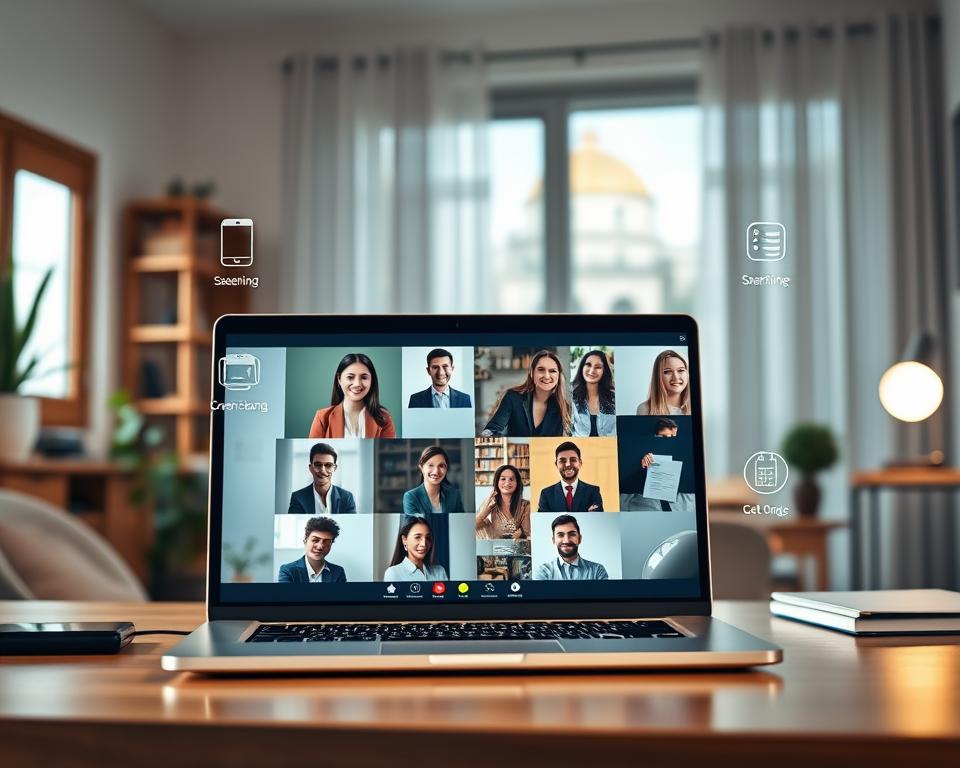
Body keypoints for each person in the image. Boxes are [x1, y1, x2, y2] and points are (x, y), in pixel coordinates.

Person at [481, 350, 571, 437]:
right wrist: (488, 434)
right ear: (532, 372)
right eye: (541, 369)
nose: (546, 376)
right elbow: (491, 430)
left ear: (559, 375)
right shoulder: (512, 398)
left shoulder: (564, 407)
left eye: (552, 371)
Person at [309, 352, 396, 438]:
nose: (357, 384)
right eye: (350, 377)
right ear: (339, 379)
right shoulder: (322, 417)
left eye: (364, 377)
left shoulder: (385, 419)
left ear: (371, 381)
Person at [619, 418, 695, 512]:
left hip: (677, 495)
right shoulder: (647, 451)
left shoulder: (686, 451)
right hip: (651, 494)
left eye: (673, 436)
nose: (670, 440)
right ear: (655, 436)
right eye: (665, 436)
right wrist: (645, 466)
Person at [287, 442, 357, 514]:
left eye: (328, 465)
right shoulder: (298, 498)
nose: (322, 470)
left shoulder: (347, 498)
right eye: (318, 465)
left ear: (334, 468)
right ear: (311, 468)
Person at [533, 514, 608, 580]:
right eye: (560, 535)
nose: (566, 541)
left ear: (580, 539)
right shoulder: (543, 572)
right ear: (553, 540)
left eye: (572, 534)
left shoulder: (597, 571)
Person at [537, 441, 603, 512]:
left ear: (580, 463)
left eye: (573, 460)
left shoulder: (593, 492)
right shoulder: (546, 494)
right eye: (562, 461)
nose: (568, 464)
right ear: (556, 464)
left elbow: (597, 518)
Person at [278, 516, 347, 583]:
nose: (320, 546)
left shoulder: (338, 571)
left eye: (326, 541)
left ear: (331, 544)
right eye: (315, 540)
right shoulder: (288, 570)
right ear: (305, 541)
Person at [402, 446, 466, 515]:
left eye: (441, 465)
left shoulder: (454, 495)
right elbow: (415, 525)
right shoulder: (411, 497)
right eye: (430, 465)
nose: (436, 472)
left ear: (446, 468)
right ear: (421, 468)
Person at [383, 515, 448, 581]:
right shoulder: (393, 573)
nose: (424, 544)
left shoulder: (440, 571)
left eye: (427, 538)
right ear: (404, 540)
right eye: (417, 537)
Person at [475, 464, 531, 540]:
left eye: (511, 479)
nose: (507, 483)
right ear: (497, 482)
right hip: (494, 547)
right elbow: (472, 527)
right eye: (503, 479)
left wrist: (521, 534)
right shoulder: (491, 503)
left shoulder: (525, 505)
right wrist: (486, 510)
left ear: (517, 483)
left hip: (517, 548)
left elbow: (528, 533)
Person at [570, 349, 616, 437]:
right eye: (588, 365)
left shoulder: (614, 399)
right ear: (582, 368)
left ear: (604, 371)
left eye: (598, 367)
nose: (592, 370)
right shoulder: (571, 397)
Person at [408, 348, 473, 408]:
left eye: (445, 366)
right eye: (435, 367)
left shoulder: (465, 399)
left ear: (452, 368)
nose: (441, 373)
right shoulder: (415, 400)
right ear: (428, 371)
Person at [636, 349, 691, 416]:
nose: (676, 377)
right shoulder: (644, 409)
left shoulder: (699, 406)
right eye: (668, 371)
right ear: (658, 376)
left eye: (681, 370)